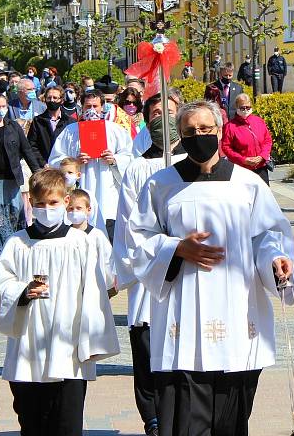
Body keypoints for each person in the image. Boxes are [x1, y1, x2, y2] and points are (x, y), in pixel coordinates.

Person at [125, 100, 294, 436]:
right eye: (190, 131)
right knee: (187, 420)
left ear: (219, 131)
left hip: (237, 311)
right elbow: (138, 240)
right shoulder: (161, 185)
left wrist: (275, 261)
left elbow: (268, 236)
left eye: (205, 129)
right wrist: (176, 248)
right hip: (183, 312)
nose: (198, 136)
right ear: (180, 136)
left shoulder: (248, 184)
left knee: (232, 420)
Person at [0, 169, 120, 436]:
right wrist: (22, 292)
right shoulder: (17, 243)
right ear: (31, 205)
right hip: (28, 346)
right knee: (31, 423)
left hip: (69, 350)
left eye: (53, 203)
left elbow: (94, 294)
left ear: (66, 200)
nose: (47, 209)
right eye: (40, 204)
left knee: (66, 424)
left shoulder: (81, 243)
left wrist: (93, 342)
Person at [113, 92, 187, 436]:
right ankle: (153, 419)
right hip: (149, 278)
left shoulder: (202, 165)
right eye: (156, 113)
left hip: (191, 277)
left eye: (170, 112)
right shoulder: (138, 168)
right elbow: (129, 226)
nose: (164, 118)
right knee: (148, 356)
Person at [48, 89, 133, 239]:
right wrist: (74, 162)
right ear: (82, 107)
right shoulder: (70, 132)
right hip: (80, 190)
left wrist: (114, 160)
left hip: (108, 193)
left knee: (109, 234)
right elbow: (54, 160)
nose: (92, 110)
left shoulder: (115, 130)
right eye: (88, 107)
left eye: (95, 106)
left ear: (102, 107)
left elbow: (130, 157)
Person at [0, 94, 42, 254]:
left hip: (12, 179)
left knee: (14, 214)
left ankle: (16, 250)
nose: (0, 110)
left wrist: (37, 172)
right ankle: (2, 252)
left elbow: (26, 149)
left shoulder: (13, 126)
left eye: (3, 106)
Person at [221, 93, 273, 184]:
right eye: (242, 108)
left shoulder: (259, 121)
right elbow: (226, 147)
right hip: (242, 169)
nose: (245, 110)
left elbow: (267, 140)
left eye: (248, 107)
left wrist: (262, 156)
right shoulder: (230, 126)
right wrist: (243, 160)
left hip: (261, 167)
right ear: (237, 107)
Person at [67, 188, 114, 282]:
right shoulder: (64, 235)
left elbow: (107, 260)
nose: (74, 212)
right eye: (71, 208)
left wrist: (110, 283)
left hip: (92, 281)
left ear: (88, 210)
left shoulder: (97, 235)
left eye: (79, 208)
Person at [27, 86, 75, 167]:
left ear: (62, 100)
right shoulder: (38, 121)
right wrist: (43, 163)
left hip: (65, 167)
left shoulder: (70, 122)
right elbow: (32, 145)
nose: (52, 100)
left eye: (55, 98)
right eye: (49, 98)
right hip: (45, 167)